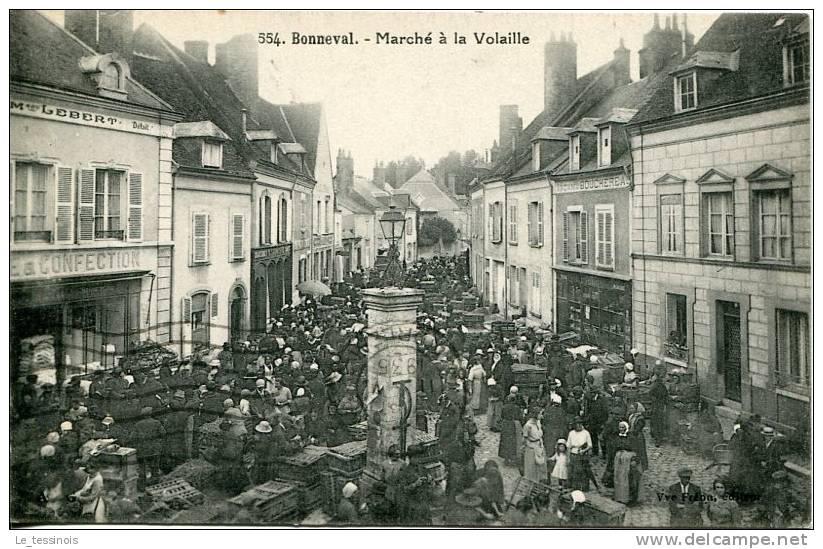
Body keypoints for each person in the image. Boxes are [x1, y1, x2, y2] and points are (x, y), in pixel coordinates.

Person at [566, 418, 594, 491]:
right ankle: (575, 487)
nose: (578, 426)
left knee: (584, 471)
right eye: (576, 424)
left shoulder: (586, 433)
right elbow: (568, 446)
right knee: (574, 471)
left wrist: (584, 450)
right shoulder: (571, 433)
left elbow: (590, 445)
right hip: (574, 453)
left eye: (580, 424)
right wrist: (568, 457)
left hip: (583, 454)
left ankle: (584, 488)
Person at [612, 421, 636, 504]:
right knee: (618, 476)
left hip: (627, 459)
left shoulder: (630, 437)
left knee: (625, 477)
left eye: (623, 427)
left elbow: (631, 447)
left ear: (626, 428)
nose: (621, 429)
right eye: (620, 427)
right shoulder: (617, 436)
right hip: (618, 459)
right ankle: (618, 496)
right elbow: (615, 446)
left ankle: (626, 497)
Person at [521, 407, 547, 483]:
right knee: (531, 467)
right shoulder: (528, 425)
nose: (541, 415)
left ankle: (539, 482)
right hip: (531, 447)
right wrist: (531, 446)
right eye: (540, 413)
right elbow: (524, 439)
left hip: (539, 445)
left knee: (540, 465)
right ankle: (531, 482)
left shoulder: (538, 422)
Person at [498, 394, 523, 467]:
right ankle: (512, 458)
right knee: (513, 441)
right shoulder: (517, 408)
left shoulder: (504, 407)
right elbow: (520, 417)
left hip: (505, 424)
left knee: (505, 441)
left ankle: (506, 458)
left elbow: (502, 416)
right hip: (513, 425)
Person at [648, 374, 669, 446]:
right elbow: (651, 394)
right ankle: (658, 438)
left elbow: (665, 396)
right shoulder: (659, 386)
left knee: (657, 422)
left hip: (658, 406)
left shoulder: (658, 386)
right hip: (658, 406)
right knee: (658, 422)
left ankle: (658, 438)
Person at [628, 402, 649, 470]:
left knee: (640, 451)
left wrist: (630, 432)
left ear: (636, 409)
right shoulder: (631, 416)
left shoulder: (640, 418)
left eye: (632, 408)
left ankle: (643, 466)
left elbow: (638, 428)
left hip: (638, 436)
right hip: (632, 436)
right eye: (630, 408)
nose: (630, 409)